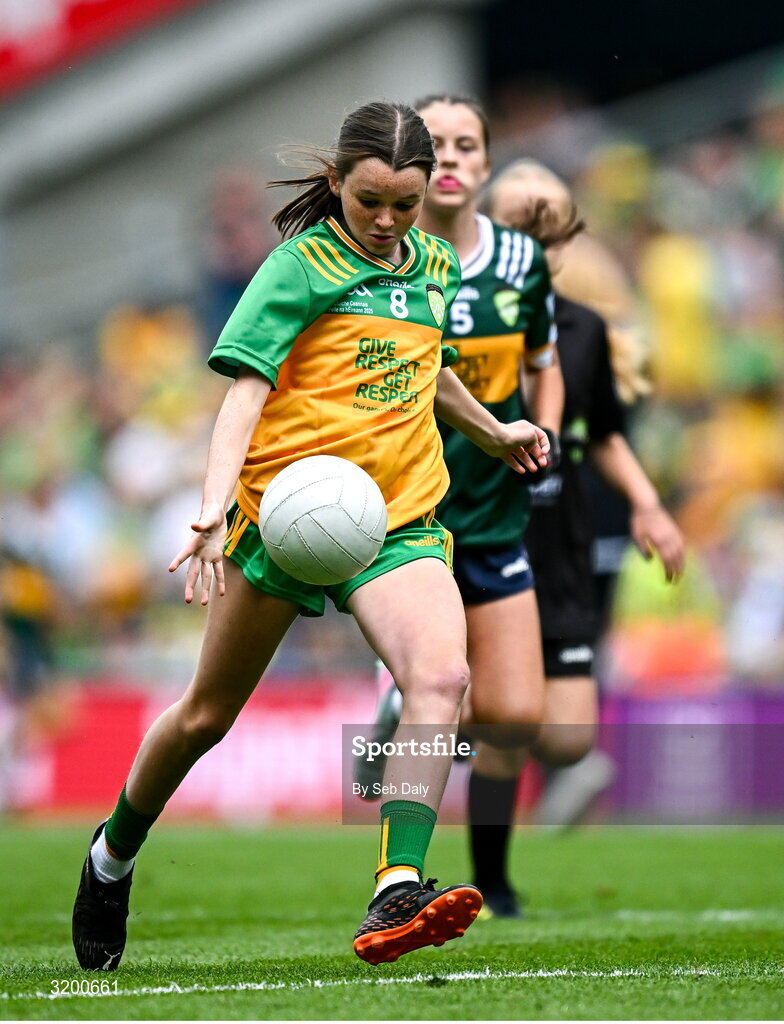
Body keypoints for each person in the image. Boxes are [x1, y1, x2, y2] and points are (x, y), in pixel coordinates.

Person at [70, 100, 552, 971]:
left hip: (397, 519)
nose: (386, 219)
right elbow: (245, 393)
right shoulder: (299, 265)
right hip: (285, 520)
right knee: (206, 717)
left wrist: (491, 432)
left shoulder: (437, 263)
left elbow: (427, 365)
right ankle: (112, 857)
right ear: (336, 182)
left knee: (442, 676)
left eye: (404, 204)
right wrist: (216, 506)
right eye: (370, 199)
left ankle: (394, 884)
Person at [354, 95, 564, 918]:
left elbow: (543, 358)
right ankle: (408, 861)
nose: (448, 158)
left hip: (495, 505)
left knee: (514, 716)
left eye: (465, 144)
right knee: (451, 693)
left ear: (484, 163)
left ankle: (403, 706)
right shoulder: (383, 259)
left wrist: (543, 430)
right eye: (433, 144)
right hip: (412, 507)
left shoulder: (520, 261)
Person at [465, 158, 685, 907]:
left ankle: (432, 720)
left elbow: (607, 436)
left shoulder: (583, 330)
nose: (538, 231)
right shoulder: (455, 311)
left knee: (563, 739)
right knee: (505, 718)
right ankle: (490, 880)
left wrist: (650, 505)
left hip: (559, 548)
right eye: (522, 217)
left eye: (550, 218)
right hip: (479, 534)